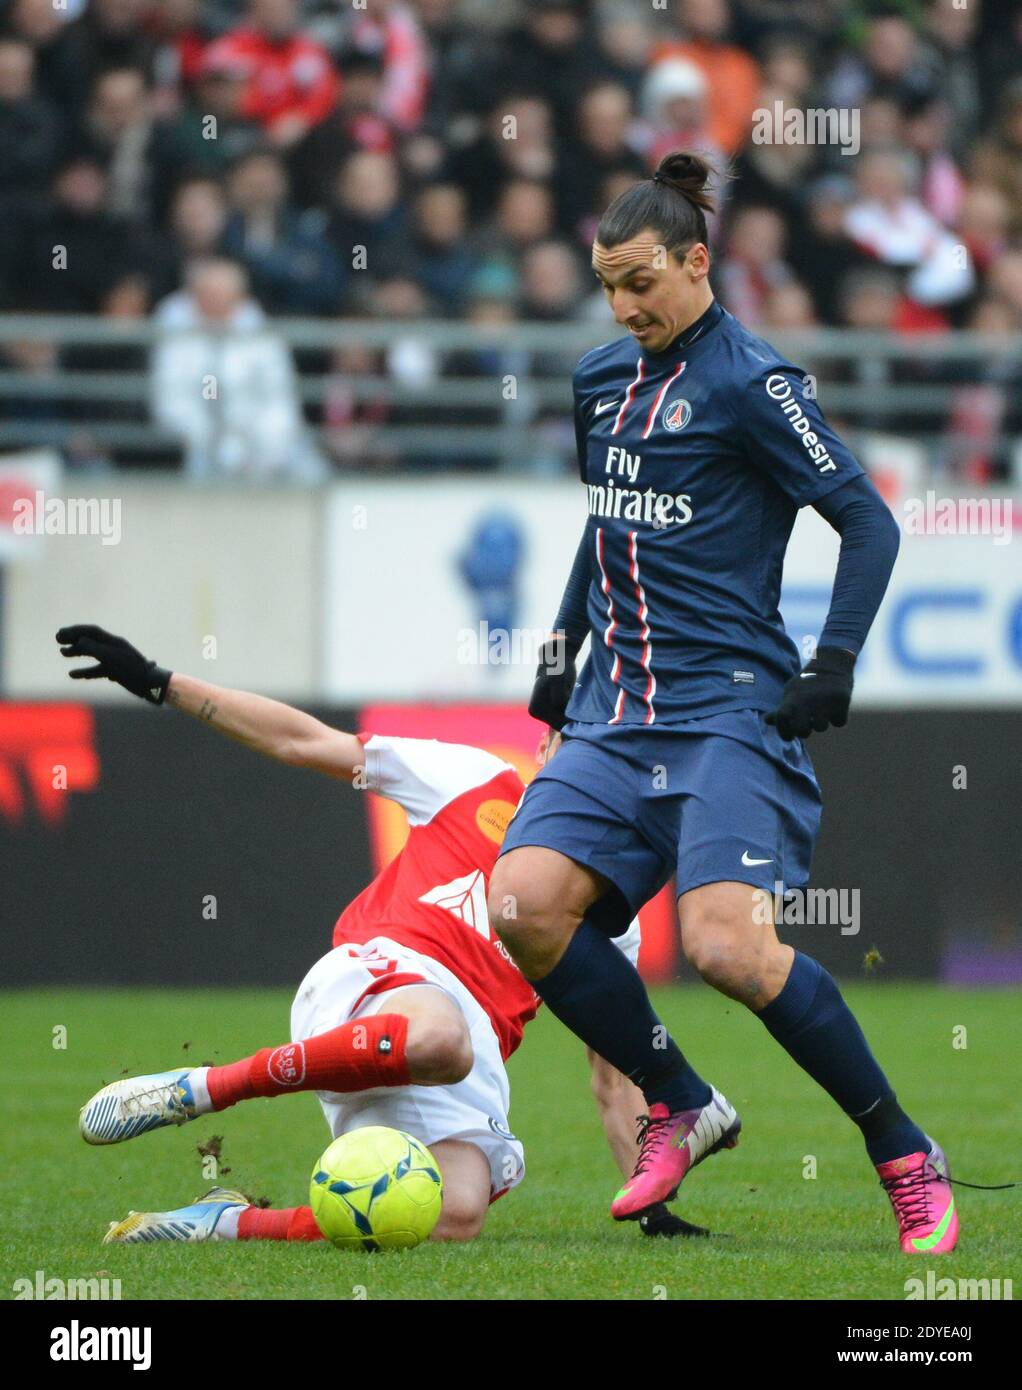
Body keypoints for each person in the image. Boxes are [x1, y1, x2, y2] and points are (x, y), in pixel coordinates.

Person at [487, 150, 958, 1256]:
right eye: (606, 285)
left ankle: (901, 1150)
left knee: (727, 950)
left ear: (696, 263)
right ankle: (680, 1099)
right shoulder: (599, 377)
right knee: (519, 903)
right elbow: (608, 526)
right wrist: (560, 657)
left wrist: (831, 661)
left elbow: (867, 520)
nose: (622, 305)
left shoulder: (756, 382)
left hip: (728, 712)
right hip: (616, 712)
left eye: (640, 281)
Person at [55, 624, 718, 1245]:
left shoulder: (609, 904)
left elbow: (615, 1077)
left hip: (463, 1055)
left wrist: (651, 1204)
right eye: (583, 749)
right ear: (546, 746)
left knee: (452, 1214)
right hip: (383, 976)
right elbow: (303, 742)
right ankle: (203, 1088)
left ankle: (226, 1222)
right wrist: (162, 682)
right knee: (439, 1034)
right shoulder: (474, 778)